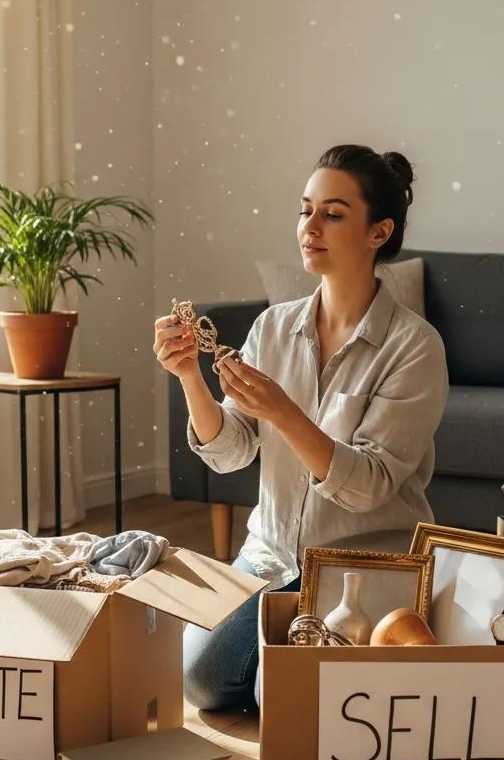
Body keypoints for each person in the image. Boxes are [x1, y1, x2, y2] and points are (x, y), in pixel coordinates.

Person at [153, 144, 448, 710]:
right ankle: (282, 659)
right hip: (269, 556)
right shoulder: (273, 326)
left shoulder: (414, 347)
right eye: (305, 209)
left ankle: (295, 665)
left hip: (356, 566)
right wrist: (190, 376)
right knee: (199, 681)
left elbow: (369, 486)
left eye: (333, 214)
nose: (310, 227)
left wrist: (285, 412)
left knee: (284, 696)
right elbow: (233, 450)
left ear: (378, 232)